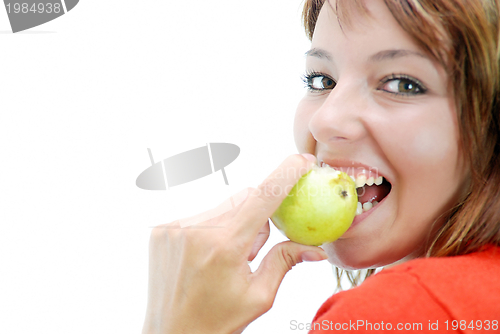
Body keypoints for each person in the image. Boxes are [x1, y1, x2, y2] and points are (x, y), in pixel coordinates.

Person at [142, 0, 500, 333]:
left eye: (401, 84)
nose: (324, 121)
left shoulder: (392, 314)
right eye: (322, 81)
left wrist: (179, 326)